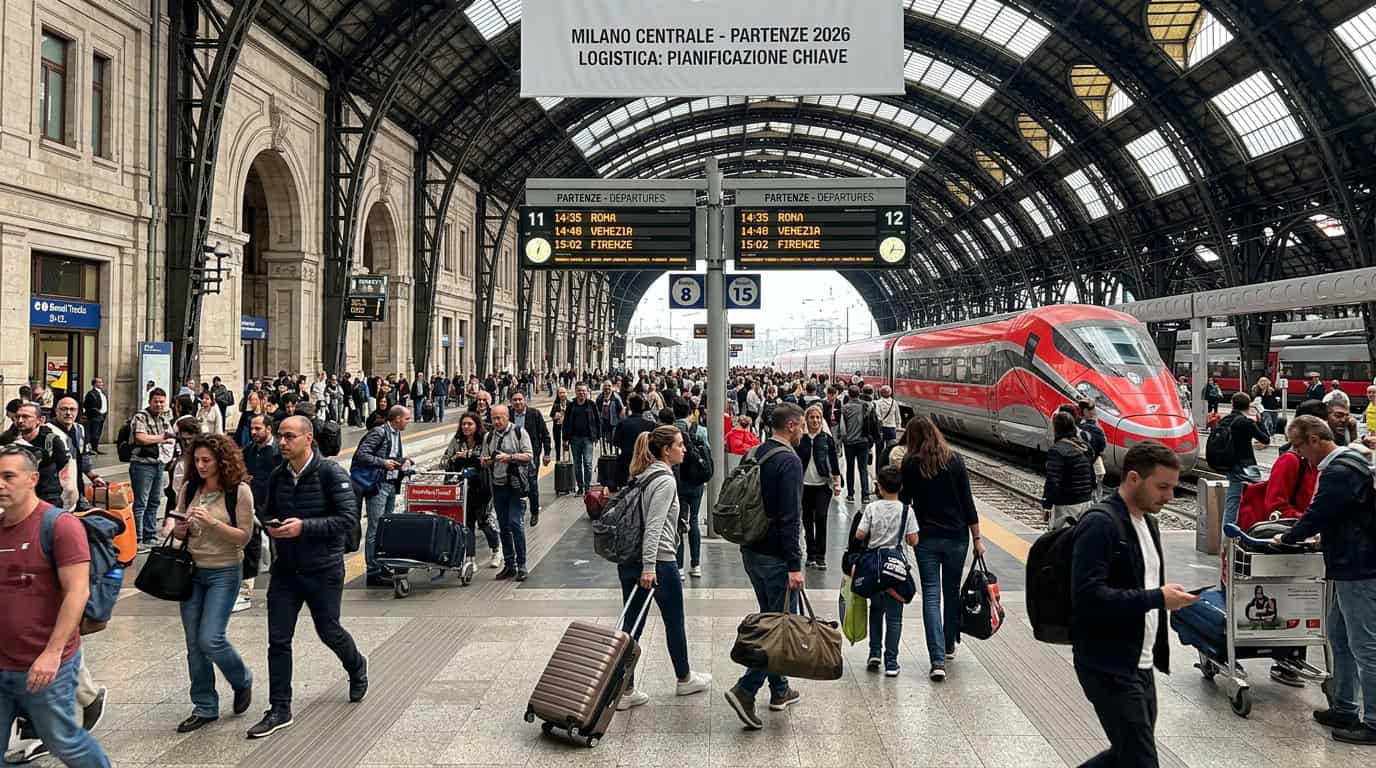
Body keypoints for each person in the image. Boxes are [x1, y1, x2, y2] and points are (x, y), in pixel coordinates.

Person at [1072, 442, 1198, 767]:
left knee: (1126, 755)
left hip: (1139, 664)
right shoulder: (1100, 524)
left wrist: (1167, 597)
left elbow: (1141, 585)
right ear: (1132, 478)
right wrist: (1157, 597)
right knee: (1142, 761)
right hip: (1107, 664)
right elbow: (1087, 596)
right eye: (1162, 487)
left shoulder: (1147, 522)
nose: (1170, 496)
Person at [249, 416, 367, 740]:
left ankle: (356, 665)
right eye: (280, 436)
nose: (282, 442)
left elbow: (346, 519)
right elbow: (265, 508)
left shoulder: (331, 473)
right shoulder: (277, 475)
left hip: (323, 569)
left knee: (328, 630)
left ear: (308, 438)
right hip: (286, 569)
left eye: (289, 436)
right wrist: (270, 523)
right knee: (278, 639)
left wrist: (304, 526)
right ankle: (279, 707)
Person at [0, 445, 112, 768]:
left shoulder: (59, 525)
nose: (1, 484)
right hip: (3, 661)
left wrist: (52, 653)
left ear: (33, 479)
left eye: (9, 476)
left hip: (46, 664)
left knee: (63, 740)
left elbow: (77, 593)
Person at [1276, 416, 1376, 744]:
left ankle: (1373, 721)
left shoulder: (1339, 469)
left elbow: (1319, 512)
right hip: (1346, 561)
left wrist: (1288, 537)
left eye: (1301, 447)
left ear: (1316, 439)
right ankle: (1345, 707)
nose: (1301, 455)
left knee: (1364, 645)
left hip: (1358, 566)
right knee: (1339, 636)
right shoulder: (1346, 463)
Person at [614, 427, 713, 710]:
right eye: (680, 445)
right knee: (673, 621)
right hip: (658, 562)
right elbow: (655, 526)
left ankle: (625, 688)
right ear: (666, 450)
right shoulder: (665, 480)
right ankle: (684, 678)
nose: (684, 449)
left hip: (631, 560)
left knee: (632, 625)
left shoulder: (642, 475)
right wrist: (650, 566)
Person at [724, 403, 804, 731]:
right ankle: (746, 689)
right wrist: (794, 564)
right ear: (791, 426)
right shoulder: (789, 461)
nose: (802, 430)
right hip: (776, 558)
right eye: (800, 425)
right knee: (779, 628)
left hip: (752, 550)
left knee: (771, 619)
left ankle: (780, 690)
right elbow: (790, 517)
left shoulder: (756, 452)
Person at [169, 434, 255, 733]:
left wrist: (212, 523)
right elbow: (179, 534)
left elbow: (244, 536)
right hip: (192, 571)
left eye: (207, 460)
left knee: (211, 638)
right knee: (194, 644)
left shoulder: (238, 491)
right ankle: (204, 705)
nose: (201, 465)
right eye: (197, 460)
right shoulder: (190, 487)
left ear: (222, 461)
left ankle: (242, 678)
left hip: (224, 571)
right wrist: (180, 528)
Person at [897, 416, 983, 680]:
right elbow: (968, 502)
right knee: (952, 592)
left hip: (926, 539)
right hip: (957, 538)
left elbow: (904, 502)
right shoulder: (955, 460)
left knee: (931, 595)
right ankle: (947, 645)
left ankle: (936, 661)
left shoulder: (911, 464)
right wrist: (977, 539)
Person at [855, 465, 919, 677]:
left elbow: (860, 534)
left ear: (879, 488)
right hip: (896, 570)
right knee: (895, 618)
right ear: (900, 487)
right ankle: (891, 662)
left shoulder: (872, 508)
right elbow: (913, 540)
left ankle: (874, 653)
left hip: (874, 569)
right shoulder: (907, 510)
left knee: (876, 610)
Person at [354, 406, 413, 587]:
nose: (408, 422)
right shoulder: (379, 433)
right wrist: (383, 463)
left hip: (390, 484)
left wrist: (404, 463)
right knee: (375, 528)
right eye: (407, 419)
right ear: (396, 419)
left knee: (385, 527)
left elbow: (392, 455)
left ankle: (382, 565)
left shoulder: (396, 434)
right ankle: (373, 571)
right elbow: (361, 455)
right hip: (377, 485)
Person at [443, 412, 502, 569]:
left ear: (477, 425)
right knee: (466, 523)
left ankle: (496, 549)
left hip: (481, 486)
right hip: (463, 486)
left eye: (469, 424)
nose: (466, 427)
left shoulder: (484, 440)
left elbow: (487, 459)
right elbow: (445, 460)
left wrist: (469, 455)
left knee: (483, 521)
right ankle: (470, 558)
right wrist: (455, 457)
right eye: (463, 424)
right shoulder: (457, 441)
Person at [482, 405, 533, 581]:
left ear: (507, 417)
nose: (496, 422)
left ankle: (522, 564)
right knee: (503, 526)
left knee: (515, 524)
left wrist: (510, 457)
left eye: (499, 418)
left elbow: (529, 455)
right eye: (493, 418)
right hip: (498, 485)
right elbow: (484, 459)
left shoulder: (519, 432)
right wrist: (486, 461)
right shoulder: (489, 437)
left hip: (516, 486)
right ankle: (510, 565)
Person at [239, 413, 280, 613]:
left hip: (275, 508)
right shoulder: (248, 451)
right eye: (252, 429)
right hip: (253, 508)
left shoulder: (280, 451)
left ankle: (280, 590)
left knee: (278, 550)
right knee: (249, 548)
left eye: (258, 429)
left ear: (268, 429)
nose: (253, 432)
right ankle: (246, 591)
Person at [0, 403, 74, 511]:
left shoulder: (52, 441)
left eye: (26, 417)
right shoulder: (7, 440)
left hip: (47, 501)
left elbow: (64, 470)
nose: (20, 420)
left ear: (40, 420)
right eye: (17, 417)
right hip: (15, 502)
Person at [129, 389, 175, 548]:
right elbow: (141, 438)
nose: (159, 404)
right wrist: (161, 439)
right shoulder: (140, 417)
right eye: (156, 401)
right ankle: (137, 538)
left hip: (158, 464)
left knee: (154, 501)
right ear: (150, 401)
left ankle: (150, 535)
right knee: (141, 502)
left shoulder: (164, 418)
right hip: (142, 464)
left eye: (162, 401)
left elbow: (172, 436)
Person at [797, 404, 841, 570]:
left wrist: (837, 483)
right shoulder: (801, 439)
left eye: (818, 417)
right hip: (804, 486)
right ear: (806, 419)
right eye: (811, 417)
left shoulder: (827, 439)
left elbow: (834, 461)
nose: (815, 420)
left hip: (823, 486)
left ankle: (821, 556)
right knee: (807, 521)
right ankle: (811, 554)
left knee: (821, 518)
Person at [672, 397, 712, 579]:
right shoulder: (700, 431)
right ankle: (696, 565)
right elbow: (708, 454)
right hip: (696, 482)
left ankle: (678, 566)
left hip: (677, 482)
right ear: (690, 411)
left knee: (679, 521)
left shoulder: (671, 431)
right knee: (694, 520)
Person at [1222, 392, 1272, 527]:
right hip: (1246, 464)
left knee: (1233, 499)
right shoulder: (1246, 422)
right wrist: (1260, 421)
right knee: (1258, 495)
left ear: (1232, 404)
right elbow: (1265, 439)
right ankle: (1248, 528)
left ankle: (1228, 536)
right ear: (1248, 406)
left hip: (1229, 463)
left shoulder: (1225, 420)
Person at [1042, 411, 1095, 530]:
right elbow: (1091, 473)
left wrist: (1047, 505)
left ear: (1056, 428)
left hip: (1067, 504)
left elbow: (1053, 481)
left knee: (1061, 540)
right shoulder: (1084, 447)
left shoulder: (1057, 451)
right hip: (1086, 501)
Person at [509, 391, 551, 527]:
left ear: (525, 400)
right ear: (511, 402)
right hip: (513, 455)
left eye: (520, 399)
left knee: (532, 483)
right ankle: (516, 511)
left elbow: (545, 434)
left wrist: (547, 453)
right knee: (513, 483)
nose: (518, 402)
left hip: (531, 455)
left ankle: (534, 512)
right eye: (515, 400)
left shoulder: (534, 414)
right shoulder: (508, 414)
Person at [839, 386, 877, 504]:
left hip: (849, 443)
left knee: (850, 468)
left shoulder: (844, 408)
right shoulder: (867, 406)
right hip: (863, 442)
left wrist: (841, 442)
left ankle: (850, 495)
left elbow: (842, 428)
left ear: (848, 395)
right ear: (859, 393)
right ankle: (865, 496)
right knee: (863, 469)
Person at [613, 395, 655, 492]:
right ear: (643, 407)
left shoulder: (622, 424)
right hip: (645, 461)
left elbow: (616, 442)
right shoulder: (650, 425)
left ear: (630, 407)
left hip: (626, 461)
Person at [565, 384, 600, 494]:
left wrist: (598, 436)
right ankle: (580, 486)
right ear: (575, 392)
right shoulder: (571, 405)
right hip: (574, 439)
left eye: (584, 391)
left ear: (587, 392)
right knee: (577, 464)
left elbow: (598, 421)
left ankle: (587, 486)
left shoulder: (591, 405)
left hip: (588, 439)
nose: (582, 393)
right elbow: (566, 422)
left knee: (588, 463)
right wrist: (565, 438)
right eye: (579, 391)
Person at [595, 382, 624, 450]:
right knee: (604, 440)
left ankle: (613, 453)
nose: (607, 387)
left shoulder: (616, 397)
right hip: (603, 422)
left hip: (613, 422)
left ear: (612, 387)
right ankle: (605, 453)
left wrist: (620, 421)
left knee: (613, 440)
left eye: (609, 386)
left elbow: (621, 410)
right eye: (605, 386)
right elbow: (596, 410)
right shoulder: (599, 398)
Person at [82, 378, 108, 454]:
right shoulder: (91, 394)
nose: (101, 383)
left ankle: (95, 448)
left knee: (98, 433)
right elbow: (88, 405)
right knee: (94, 433)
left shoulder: (102, 393)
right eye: (99, 382)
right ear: (94, 384)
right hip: (95, 416)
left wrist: (104, 414)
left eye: (101, 382)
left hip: (102, 416)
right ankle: (92, 449)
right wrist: (98, 412)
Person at [548, 388, 570, 462]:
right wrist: (555, 417)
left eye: (564, 392)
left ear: (567, 393)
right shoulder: (556, 405)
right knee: (557, 444)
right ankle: (558, 460)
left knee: (567, 445)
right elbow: (551, 415)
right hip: (557, 428)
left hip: (567, 429)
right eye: (560, 393)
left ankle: (567, 460)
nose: (562, 394)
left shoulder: (570, 404)